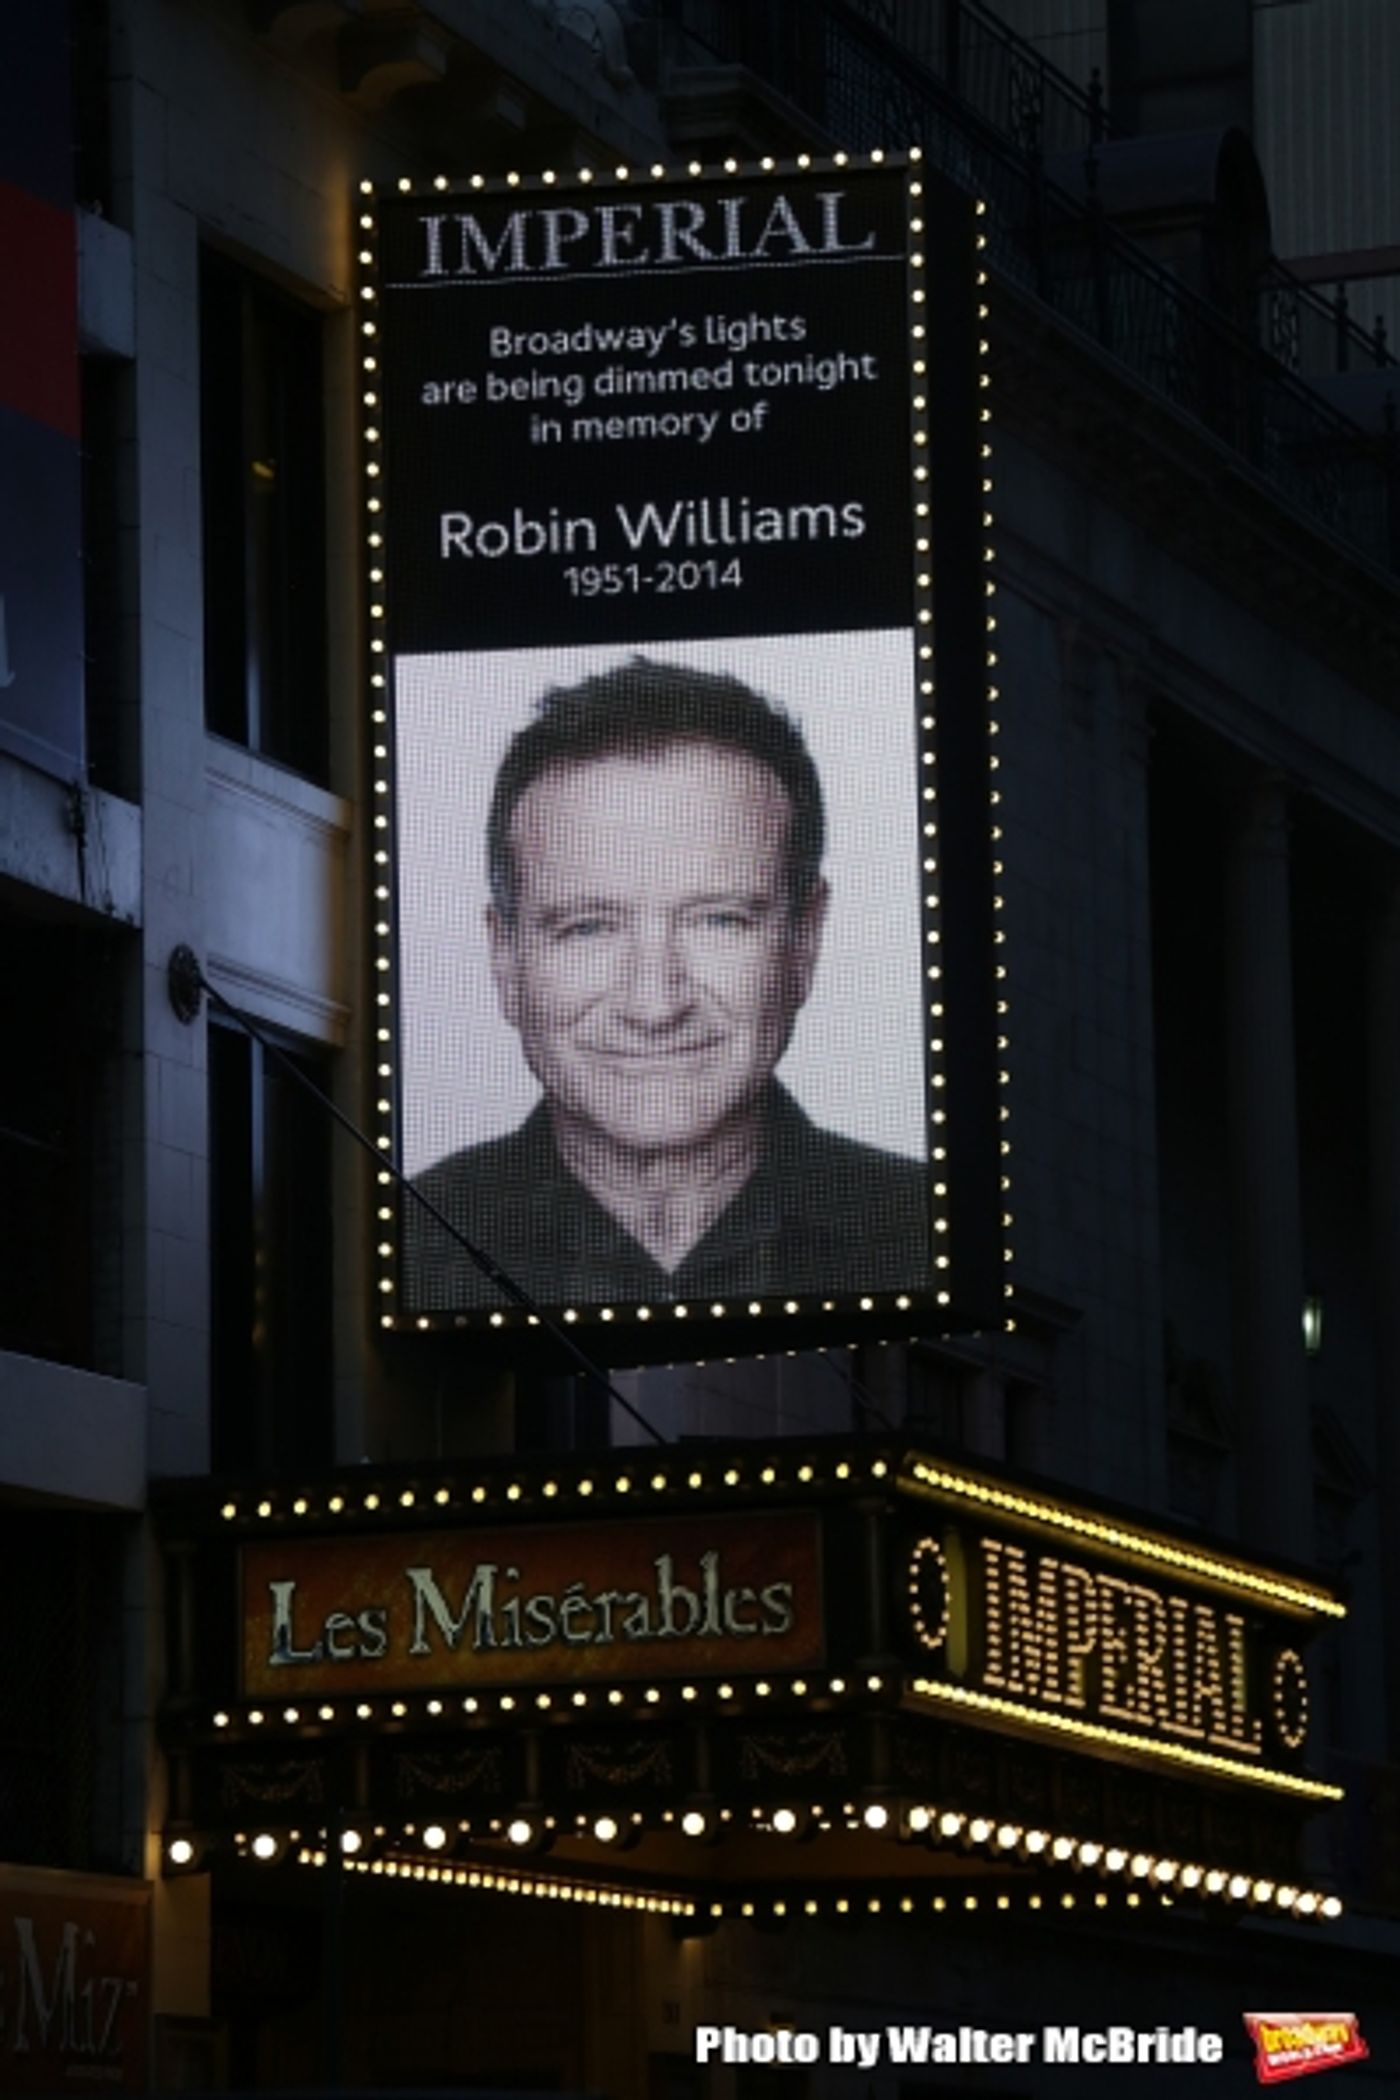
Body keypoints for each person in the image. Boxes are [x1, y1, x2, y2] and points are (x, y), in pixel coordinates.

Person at [405, 656, 928, 1309]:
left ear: (805, 940)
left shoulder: (930, 1236)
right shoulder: (406, 1246)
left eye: (719, 920)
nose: (654, 1004)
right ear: (504, 958)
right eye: (588, 928)